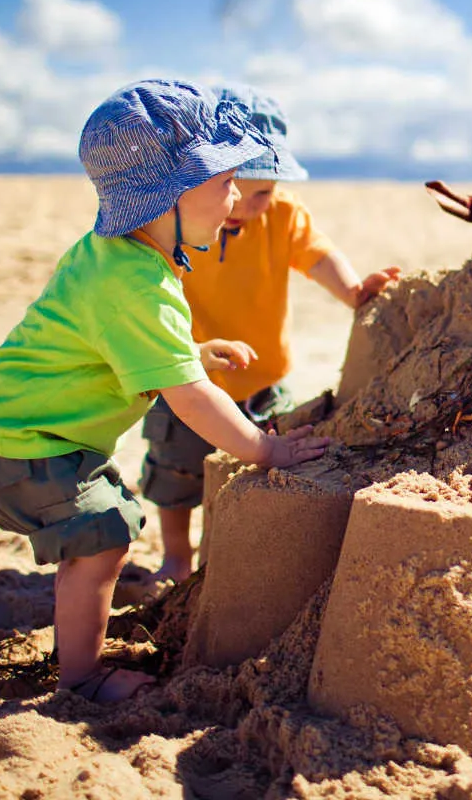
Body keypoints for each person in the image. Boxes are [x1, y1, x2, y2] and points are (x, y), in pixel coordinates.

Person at [0, 79, 330, 703]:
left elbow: (127, 349)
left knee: (105, 533)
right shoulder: (137, 285)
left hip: (7, 435)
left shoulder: (120, 257)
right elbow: (190, 399)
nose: (234, 198)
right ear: (166, 197)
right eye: (222, 182)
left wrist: (192, 355)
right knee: (105, 535)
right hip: (18, 450)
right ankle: (80, 679)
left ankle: (80, 657)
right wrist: (267, 451)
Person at [140, 85, 399, 582]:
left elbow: (316, 254)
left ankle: (236, 553)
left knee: (271, 463)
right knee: (176, 472)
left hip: (263, 380)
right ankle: (175, 555)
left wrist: (351, 291)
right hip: (185, 376)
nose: (246, 203)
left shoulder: (281, 215)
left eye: (263, 191)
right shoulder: (183, 219)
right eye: (235, 186)